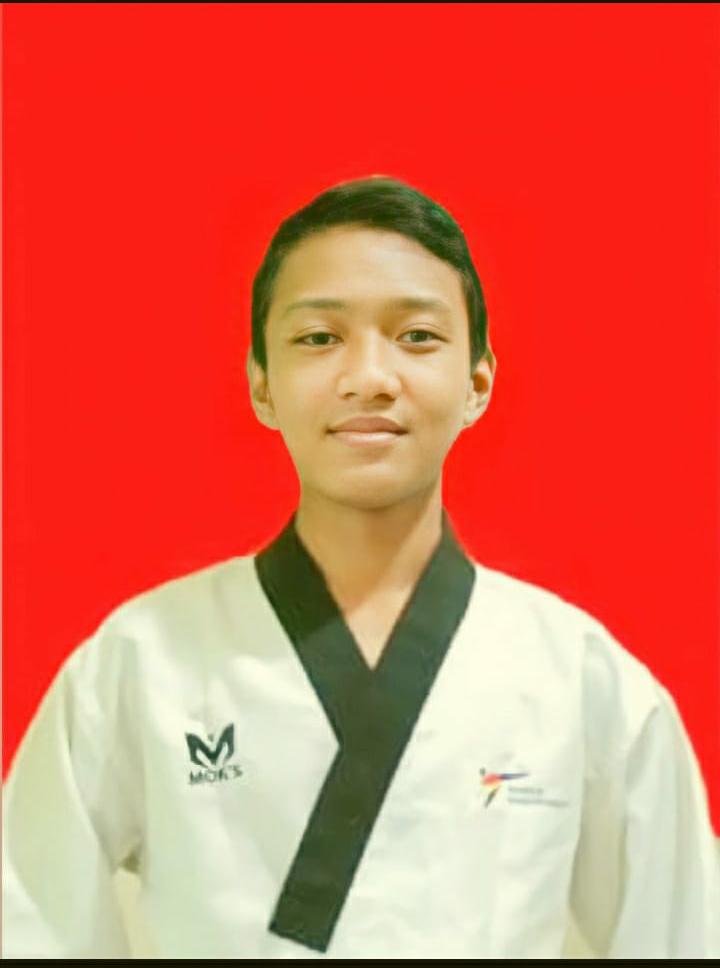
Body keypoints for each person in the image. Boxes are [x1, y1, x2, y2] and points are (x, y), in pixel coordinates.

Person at [3, 175, 719, 959]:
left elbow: (685, 935)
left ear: (478, 381)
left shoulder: (579, 678)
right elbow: (29, 922)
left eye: (417, 336)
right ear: (261, 383)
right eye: (319, 338)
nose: (369, 377)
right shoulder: (145, 660)